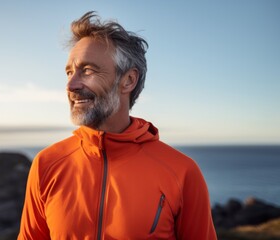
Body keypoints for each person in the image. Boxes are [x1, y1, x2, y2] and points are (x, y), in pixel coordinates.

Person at [18, 11, 217, 240]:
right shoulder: (47, 164)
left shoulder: (182, 172)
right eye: (69, 72)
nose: (71, 85)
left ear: (128, 80)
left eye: (88, 70)